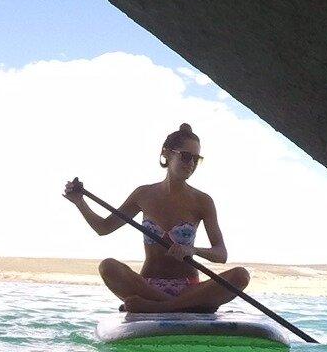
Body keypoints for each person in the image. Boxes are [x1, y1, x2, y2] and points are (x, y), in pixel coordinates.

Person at [63, 122, 249, 312]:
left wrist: (192, 250)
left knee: (241, 276)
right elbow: (103, 228)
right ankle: (179, 307)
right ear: (166, 153)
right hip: (147, 288)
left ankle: (164, 307)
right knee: (107, 267)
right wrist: (79, 202)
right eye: (186, 157)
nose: (191, 164)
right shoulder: (143, 194)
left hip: (190, 290)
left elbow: (221, 254)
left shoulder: (203, 201)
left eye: (196, 159)